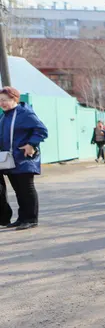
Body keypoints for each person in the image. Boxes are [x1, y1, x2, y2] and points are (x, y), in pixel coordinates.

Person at [0, 86, 48, 230]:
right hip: (11, 160)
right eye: (0, 100)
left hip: (24, 158)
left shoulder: (24, 113)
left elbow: (41, 130)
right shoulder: (5, 115)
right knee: (18, 190)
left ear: (14, 99)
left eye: (5, 100)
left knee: (26, 189)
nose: (2, 103)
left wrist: (31, 144)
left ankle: (31, 218)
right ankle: (22, 218)